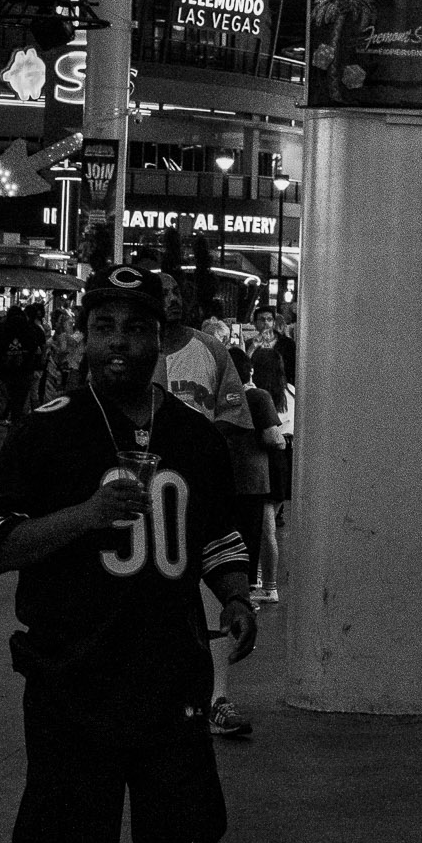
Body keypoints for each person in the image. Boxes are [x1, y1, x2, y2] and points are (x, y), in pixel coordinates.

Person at [0, 265, 257, 843]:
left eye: (135, 327)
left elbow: (218, 535)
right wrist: (86, 518)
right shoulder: (48, 430)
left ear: (161, 337)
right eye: (104, 327)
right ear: (82, 336)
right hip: (72, 677)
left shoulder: (193, 435)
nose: (119, 342)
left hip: (171, 677)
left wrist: (232, 597)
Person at [151, 274, 257, 738]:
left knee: (217, 593)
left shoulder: (209, 351)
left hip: (201, 494)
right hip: (143, 503)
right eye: (162, 294)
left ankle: (216, 699)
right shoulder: (135, 354)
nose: (172, 301)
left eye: (177, 293)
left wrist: (201, 458)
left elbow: (233, 417)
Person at [227, 347, 284, 604]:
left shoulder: (223, 398)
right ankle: (251, 590)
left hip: (227, 475)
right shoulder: (259, 397)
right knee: (255, 536)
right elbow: (271, 437)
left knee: (232, 537)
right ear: (249, 370)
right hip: (255, 477)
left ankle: (238, 589)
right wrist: (283, 442)